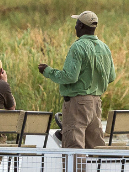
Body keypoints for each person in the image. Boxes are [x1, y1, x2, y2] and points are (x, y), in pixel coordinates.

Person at [38, 10, 117, 149]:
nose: (75, 27)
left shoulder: (78, 47)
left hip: (78, 103)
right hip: (96, 103)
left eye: (77, 23)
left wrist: (48, 71)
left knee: (74, 146)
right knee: (96, 146)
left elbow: (70, 77)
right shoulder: (105, 47)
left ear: (81, 26)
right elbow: (111, 77)